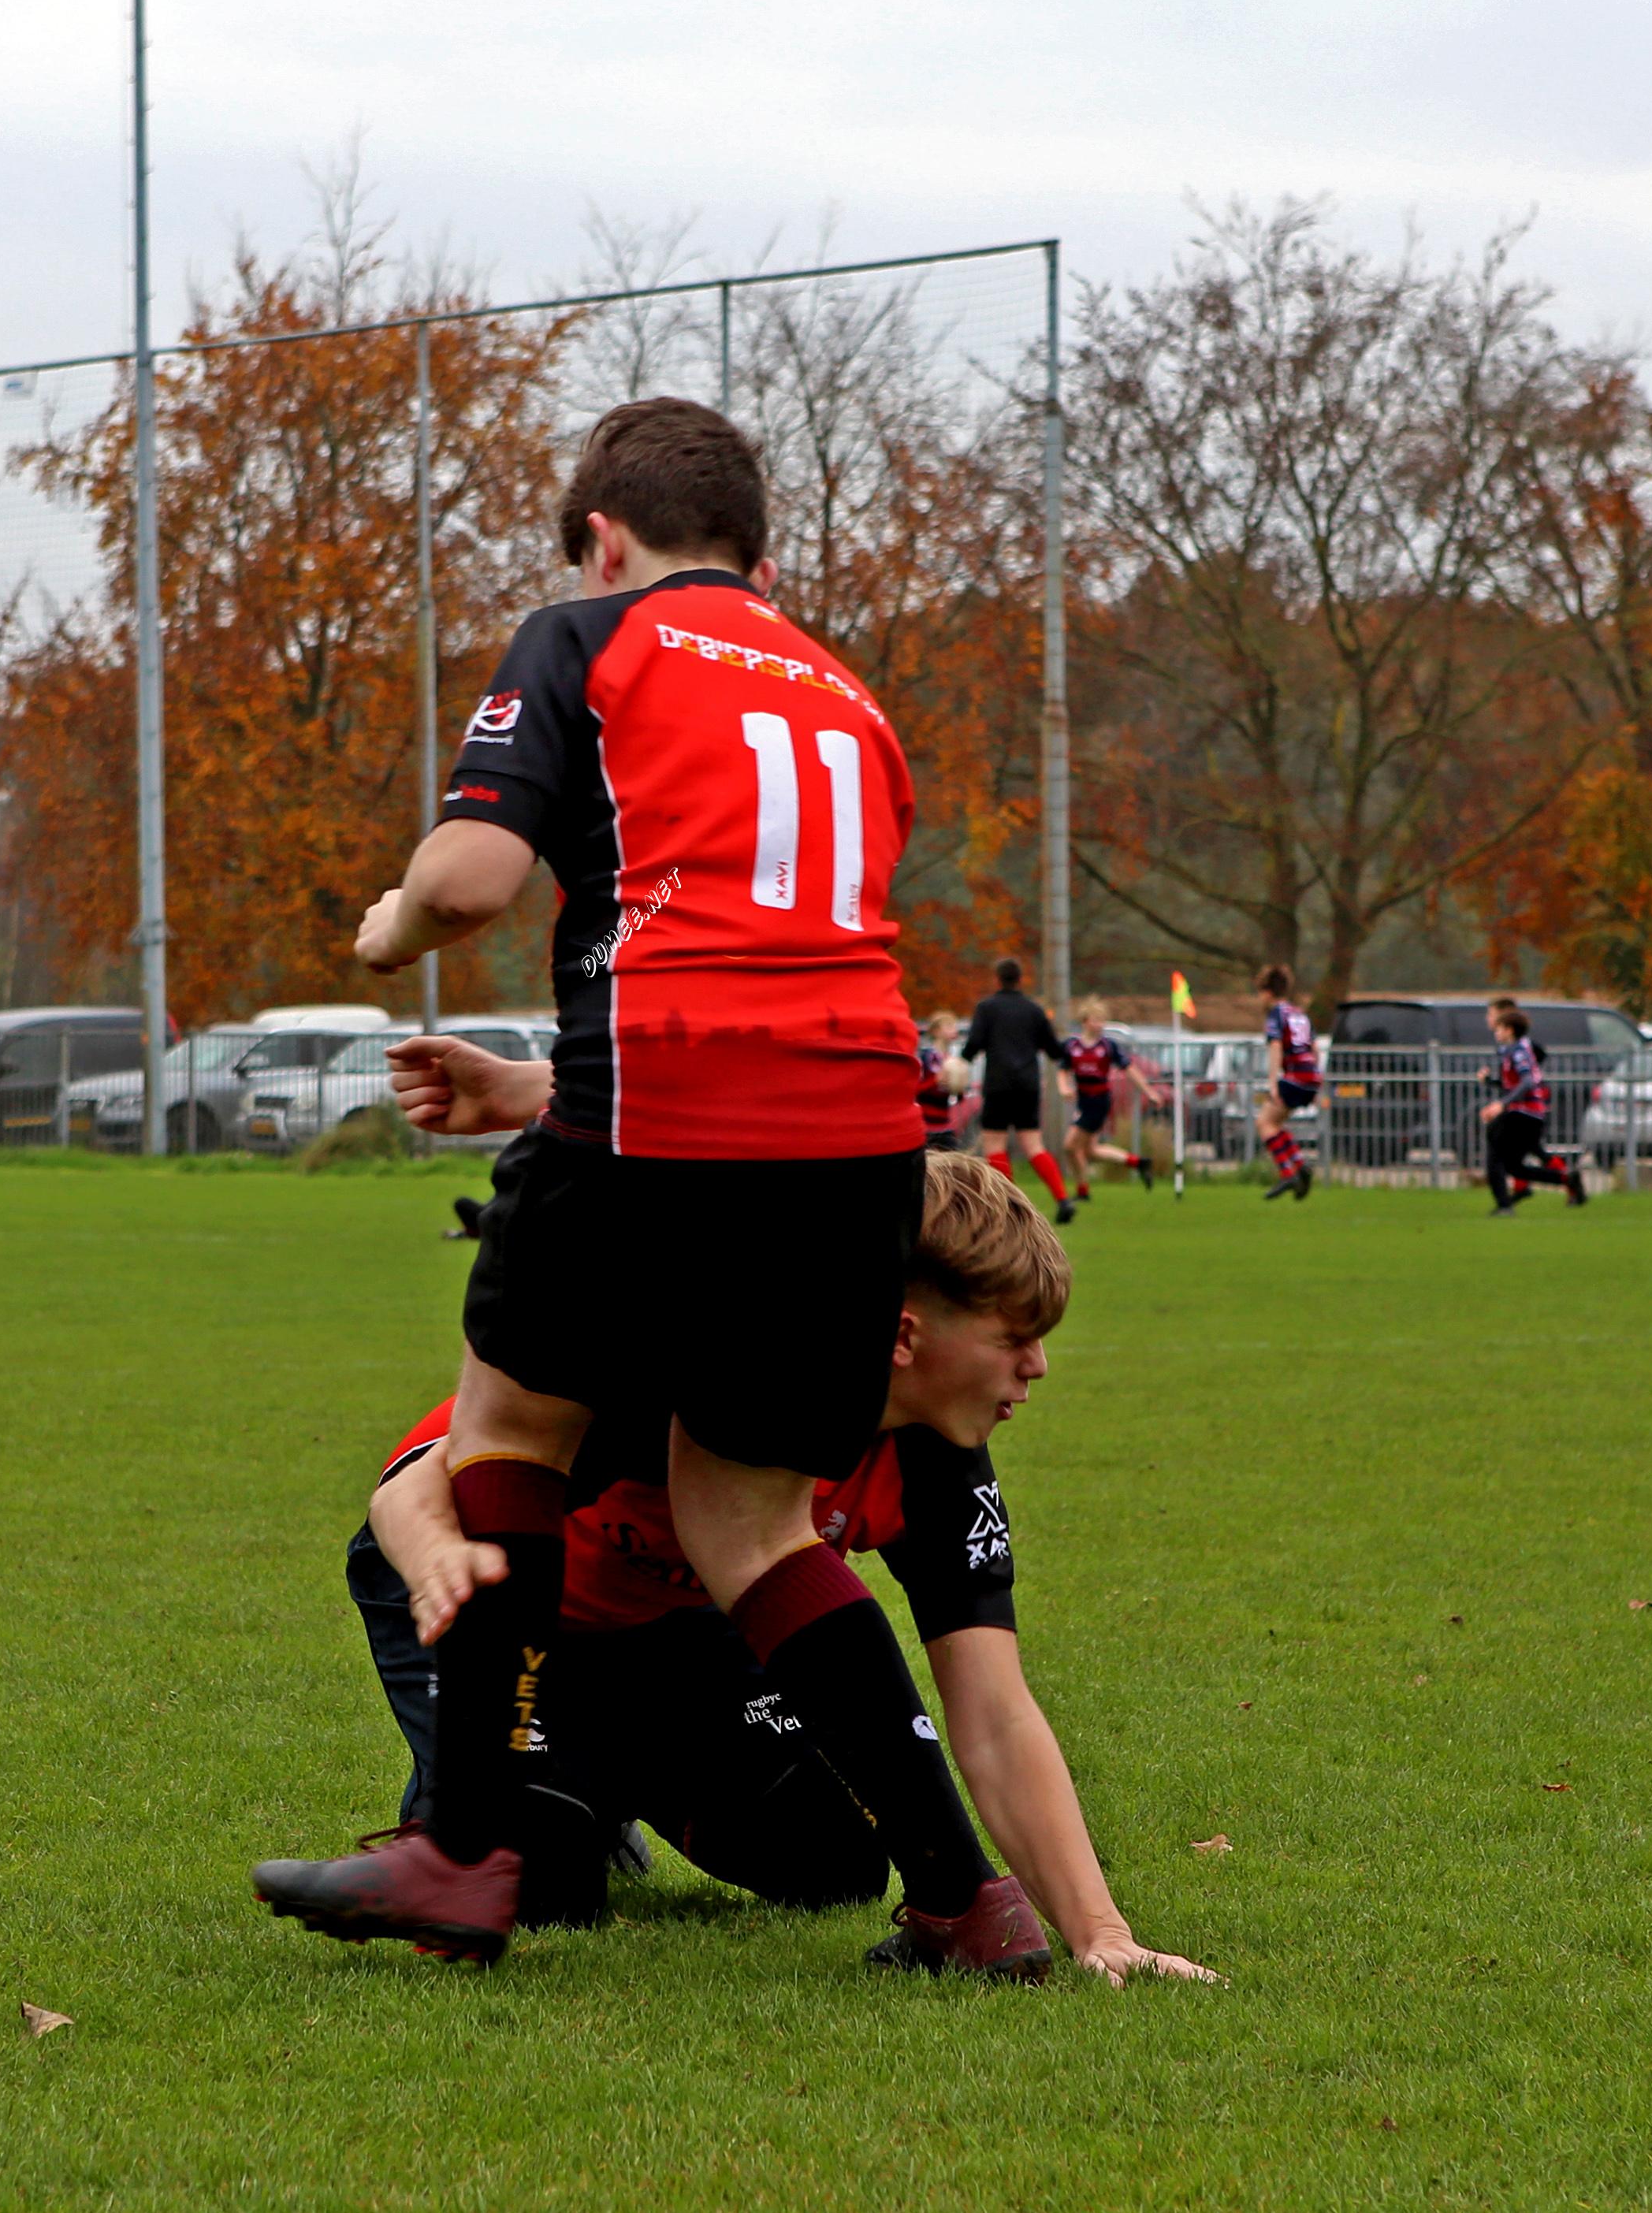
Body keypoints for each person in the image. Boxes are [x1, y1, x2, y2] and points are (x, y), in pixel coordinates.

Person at [258, 398, 1040, 1978]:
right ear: (754, 548)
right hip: (858, 1133)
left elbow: (477, 878)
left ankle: (459, 1850)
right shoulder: (846, 695)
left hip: (656, 1099)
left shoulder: (584, 637)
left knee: (505, 1432)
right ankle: (967, 1897)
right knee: (749, 1513)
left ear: (602, 539)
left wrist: (388, 926)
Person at [323, 1144, 1214, 1985]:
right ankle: (518, 1796)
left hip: (681, 1625)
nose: (1040, 1365)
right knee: (542, 1879)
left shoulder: (937, 1456)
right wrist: (441, 1562)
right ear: (904, 1333)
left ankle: (601, 1784)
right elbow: (410, 1486)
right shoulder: (689, 1374)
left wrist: (1103, 1934)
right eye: (1014, 1335)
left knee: (831, 1864)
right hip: (495, 1608)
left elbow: (993, 1711)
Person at [961, 959, 1066, 1209]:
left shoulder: (987, 1008)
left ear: (997, 980)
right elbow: (1054, 1050)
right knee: (1033, 1143)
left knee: (995, 1143)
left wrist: (958, 1064)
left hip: (998, 1084)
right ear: (1020, 980)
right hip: (1028, 1085)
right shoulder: (1034, 1010)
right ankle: (1062, 1199)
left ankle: (1010, 1204)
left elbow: (974, 1044)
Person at [1477, 998, 1586, 1214]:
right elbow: (1517, 1082)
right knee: (1515, 1165)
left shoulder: (1518, 1051)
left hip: (1525, 1114)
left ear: (1508, 1030)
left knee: (1495, 1151)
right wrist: (1491, 1082)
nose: (1494, 1031)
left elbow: (1527, 1082)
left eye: (1498, 1027)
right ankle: (1566, 1179)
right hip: (1528, 1114)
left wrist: (1501, 1104)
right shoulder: (1512, 1050)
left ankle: (1505, 1205)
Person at [1055, 1000, 1148, 1212]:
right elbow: (1063, 1070)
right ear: (1085, 1022)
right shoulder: (1073, 1046)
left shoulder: (1107, 1046)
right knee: (1090, 1150)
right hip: (1083, 1101)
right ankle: (1137, 1163)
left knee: (1070, 1146)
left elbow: (1129, 1069)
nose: (1101, 1024)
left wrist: (1147, 1090)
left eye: (1103, 1020)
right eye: (1097, 1020)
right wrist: (1063, 1087)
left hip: (1098, 1102)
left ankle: (1083, 1189)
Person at [1250, 965, 1319, 1200]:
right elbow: (1314, 1047)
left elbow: (1276, 1046)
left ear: (1267, 993)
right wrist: (1316, 1080)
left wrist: (1273, 1084)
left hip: (1294, 1077)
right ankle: (1300, 1167)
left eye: (1259, 993)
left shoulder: (1276, 1014)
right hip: (1310, 1076)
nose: (1259, 999)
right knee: (1275, 1124)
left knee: (1263, 1123)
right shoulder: (1300, 1013)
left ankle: (1289, 1172)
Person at [915, 1011, 966, 1155]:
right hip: (926, 1125)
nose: (954, 1030)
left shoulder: (951, 1059)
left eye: (955, 1026)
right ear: (936, 1031)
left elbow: (958, 1097)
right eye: (949, 1026)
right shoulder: (927, 1057)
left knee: (953, 1167)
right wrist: (935, 1081)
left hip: (944, 1123)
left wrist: (959, 1086)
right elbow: (916, 1090)